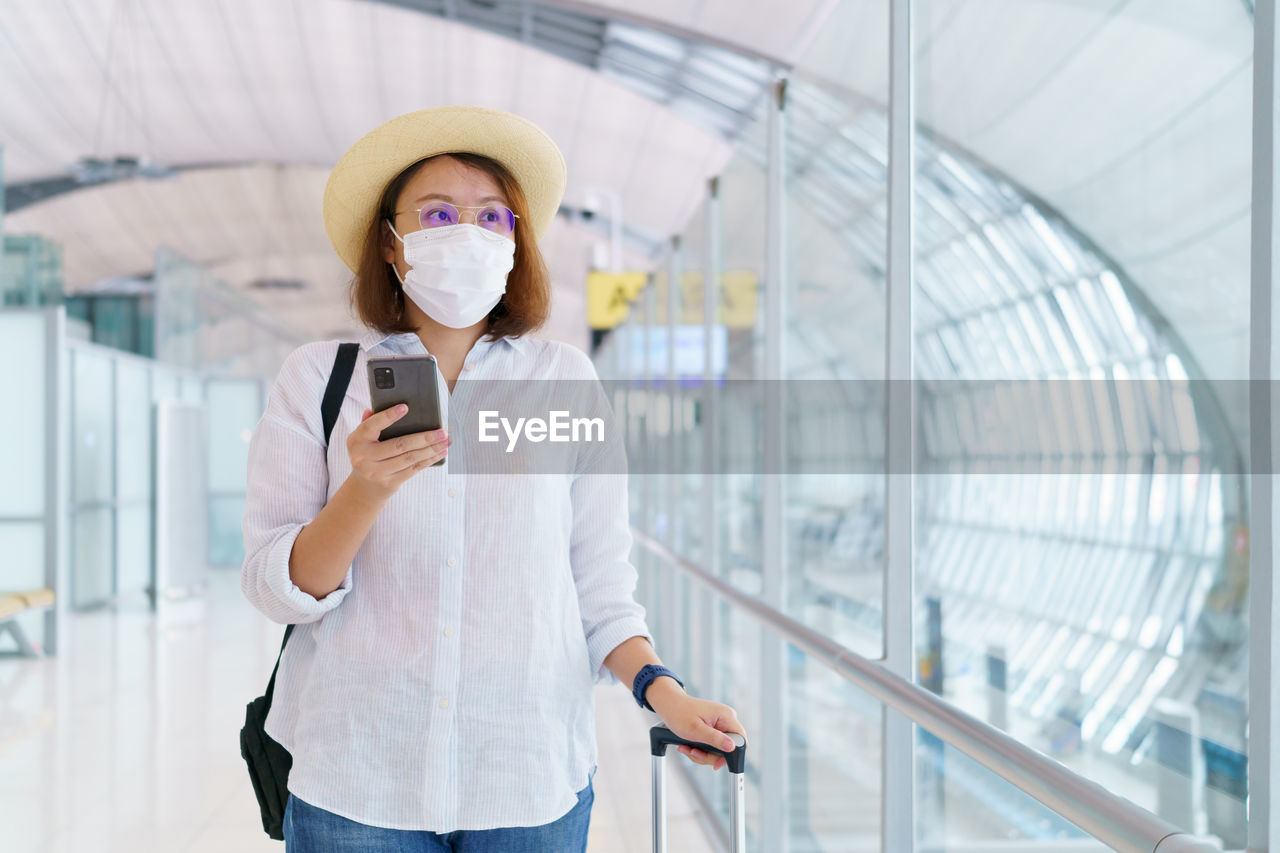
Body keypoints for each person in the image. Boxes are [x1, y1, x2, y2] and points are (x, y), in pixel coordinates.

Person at [240, 105, 747, 852]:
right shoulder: (320, 378)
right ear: (391, 240)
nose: (467, 234)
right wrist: (365, 489)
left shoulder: (563, 380)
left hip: (527, 776)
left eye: (492, 218)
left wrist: (665, 695)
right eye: (439, 214)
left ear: (516, 243)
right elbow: (273, 584)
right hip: (358, 778)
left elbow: (599, 585)